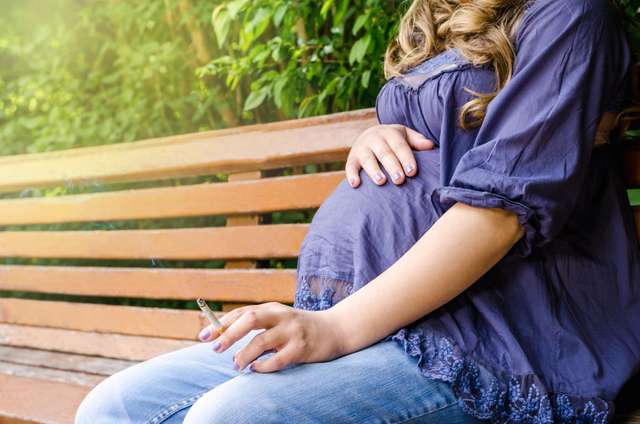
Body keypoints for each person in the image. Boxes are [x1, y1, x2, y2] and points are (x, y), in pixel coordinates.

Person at [75, 0, 640, 422]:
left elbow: (498, 215)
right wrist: (380, 133)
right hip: (387, 318)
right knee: (115, 408)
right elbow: (444, 148)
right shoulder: (439, 16)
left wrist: (335, 327)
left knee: (236, 418)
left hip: (500, 334)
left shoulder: (570, 16)